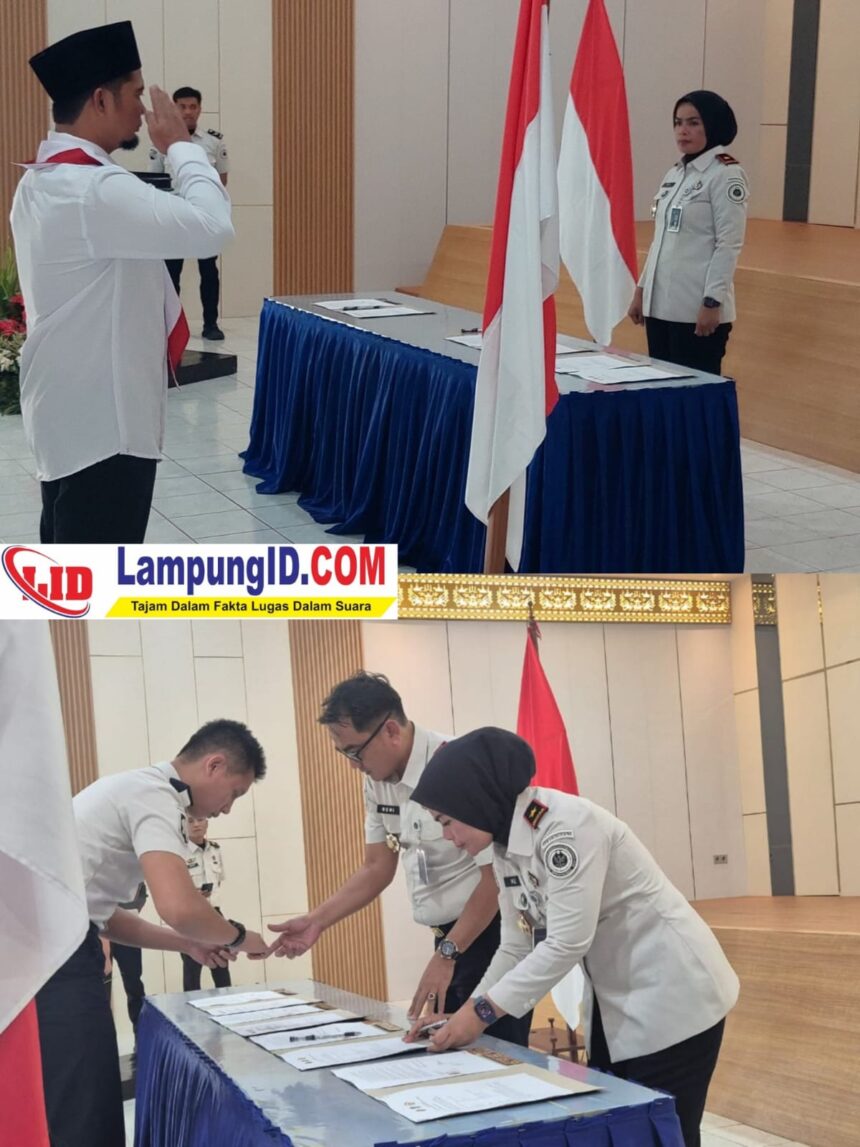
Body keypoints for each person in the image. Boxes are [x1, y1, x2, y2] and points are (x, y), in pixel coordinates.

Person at [406, 727, 739, 1147]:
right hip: (621, 997)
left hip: (674, 993)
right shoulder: (505, 844)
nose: (447, 838)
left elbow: (567, 942)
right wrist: (468, 1011)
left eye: (447, 822)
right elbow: (516, 944)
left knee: (666, 1132)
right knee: (623, 1128)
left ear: (475, 800)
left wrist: (480, 1014)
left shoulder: (564, 827)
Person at [11, 22, 234, 545]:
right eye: (135, 94)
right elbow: (213, 228)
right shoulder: (92, 188)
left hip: (69, 414)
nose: (145, 111)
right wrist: (181, 148)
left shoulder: (42, 178)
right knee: (99, 575)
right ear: (100, 99)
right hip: (104, 429)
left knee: (71, 565)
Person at [35, 719, 270, 1147]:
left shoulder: (134, 788)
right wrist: (239, 936)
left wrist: (189, 943)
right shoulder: (155, 794)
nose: (227, 810)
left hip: (54, 948)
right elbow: (179, 906)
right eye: (234, 793)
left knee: (75, 1100)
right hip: (54, 959)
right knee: (85, 1111)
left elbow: (105, 917)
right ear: (214, 765)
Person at [267, 672, 532, 1046]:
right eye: (344, 754)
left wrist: (448, 953)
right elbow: (376, 867)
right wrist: (316, 921)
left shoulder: (457, 766)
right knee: (450, 1051)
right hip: (449, 940)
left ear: (390, 730)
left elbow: (495, 879)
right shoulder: (378, 781)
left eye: (355, 752)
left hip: (491, 935)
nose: (353, 765)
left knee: (496, 1052)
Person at [629, 90, 748, 376]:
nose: (683, 130)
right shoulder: (675, 174)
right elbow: (661, 240)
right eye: (678, 122)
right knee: (662, 389)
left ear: (713, 124)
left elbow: (728, 244)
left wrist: (712, 301)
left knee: (693, 391)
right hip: (660, 308)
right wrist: (642, 291)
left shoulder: (726, 174)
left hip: (696, 310)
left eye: (694, 122)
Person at [150, 85, 229, 341]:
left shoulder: (213, 142)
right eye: (182, 107)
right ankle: (170, 326)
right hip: (174, 216)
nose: (188, 112)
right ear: (174, 109)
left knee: (209, 271)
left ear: (200, 109)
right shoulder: (162, 144)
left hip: (203, 216)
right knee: (172, 273)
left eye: (193, 107)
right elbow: (157, 182)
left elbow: (221, 180)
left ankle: (211, 324)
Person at [181, 815, 232, 991]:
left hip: (214, 914)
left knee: (221, 964)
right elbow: (173, 888)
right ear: (183, 825)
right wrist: (191, 894)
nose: (196, 825)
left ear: (207, 823)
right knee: (192, 969)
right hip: (191, 916)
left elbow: (219, 881)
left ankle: (226, 1003)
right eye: (191, 821)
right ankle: (190, 1007)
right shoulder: (179, 853)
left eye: (200, 820)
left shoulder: (215, 850)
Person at [109, 882, 148, 1033]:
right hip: (99, 930)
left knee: (134, 984)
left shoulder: (131, 873)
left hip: (128, 930)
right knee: (102, 985)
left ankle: (141, 1034)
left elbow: (141, 894)